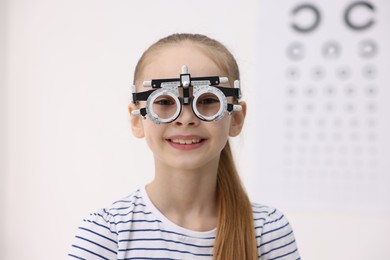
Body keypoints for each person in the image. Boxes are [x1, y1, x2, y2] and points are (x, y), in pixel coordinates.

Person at [68, 33, 300, 260]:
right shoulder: (107, 233)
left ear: (236, 118)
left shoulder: (267, 231)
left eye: (208, 100)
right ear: (137, 119)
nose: (186, 118)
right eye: (164, 101)